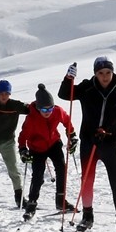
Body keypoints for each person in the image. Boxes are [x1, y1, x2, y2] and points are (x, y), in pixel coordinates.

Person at [59, 56, 116, 232]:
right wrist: (68, 79)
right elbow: (65, 94)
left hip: (109, 143)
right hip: (89, 141)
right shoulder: (87, 87)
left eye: (108, 72)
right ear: (95, 73)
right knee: (87, 180)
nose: (105, 76)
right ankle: (87, 216)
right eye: (101, 73)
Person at [18, 84, 77, 221]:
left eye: (50, 108)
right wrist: (22, 150)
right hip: (36, 148)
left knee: (61, 168)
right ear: (38, 108)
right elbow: (22, 136)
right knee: (38, 176)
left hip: (53, 143)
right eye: (44, 109)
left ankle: (60, 201)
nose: (47, 112)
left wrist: (72, 135)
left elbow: (66, 120)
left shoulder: (57, 111)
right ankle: (31, 205)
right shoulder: (31, 118)